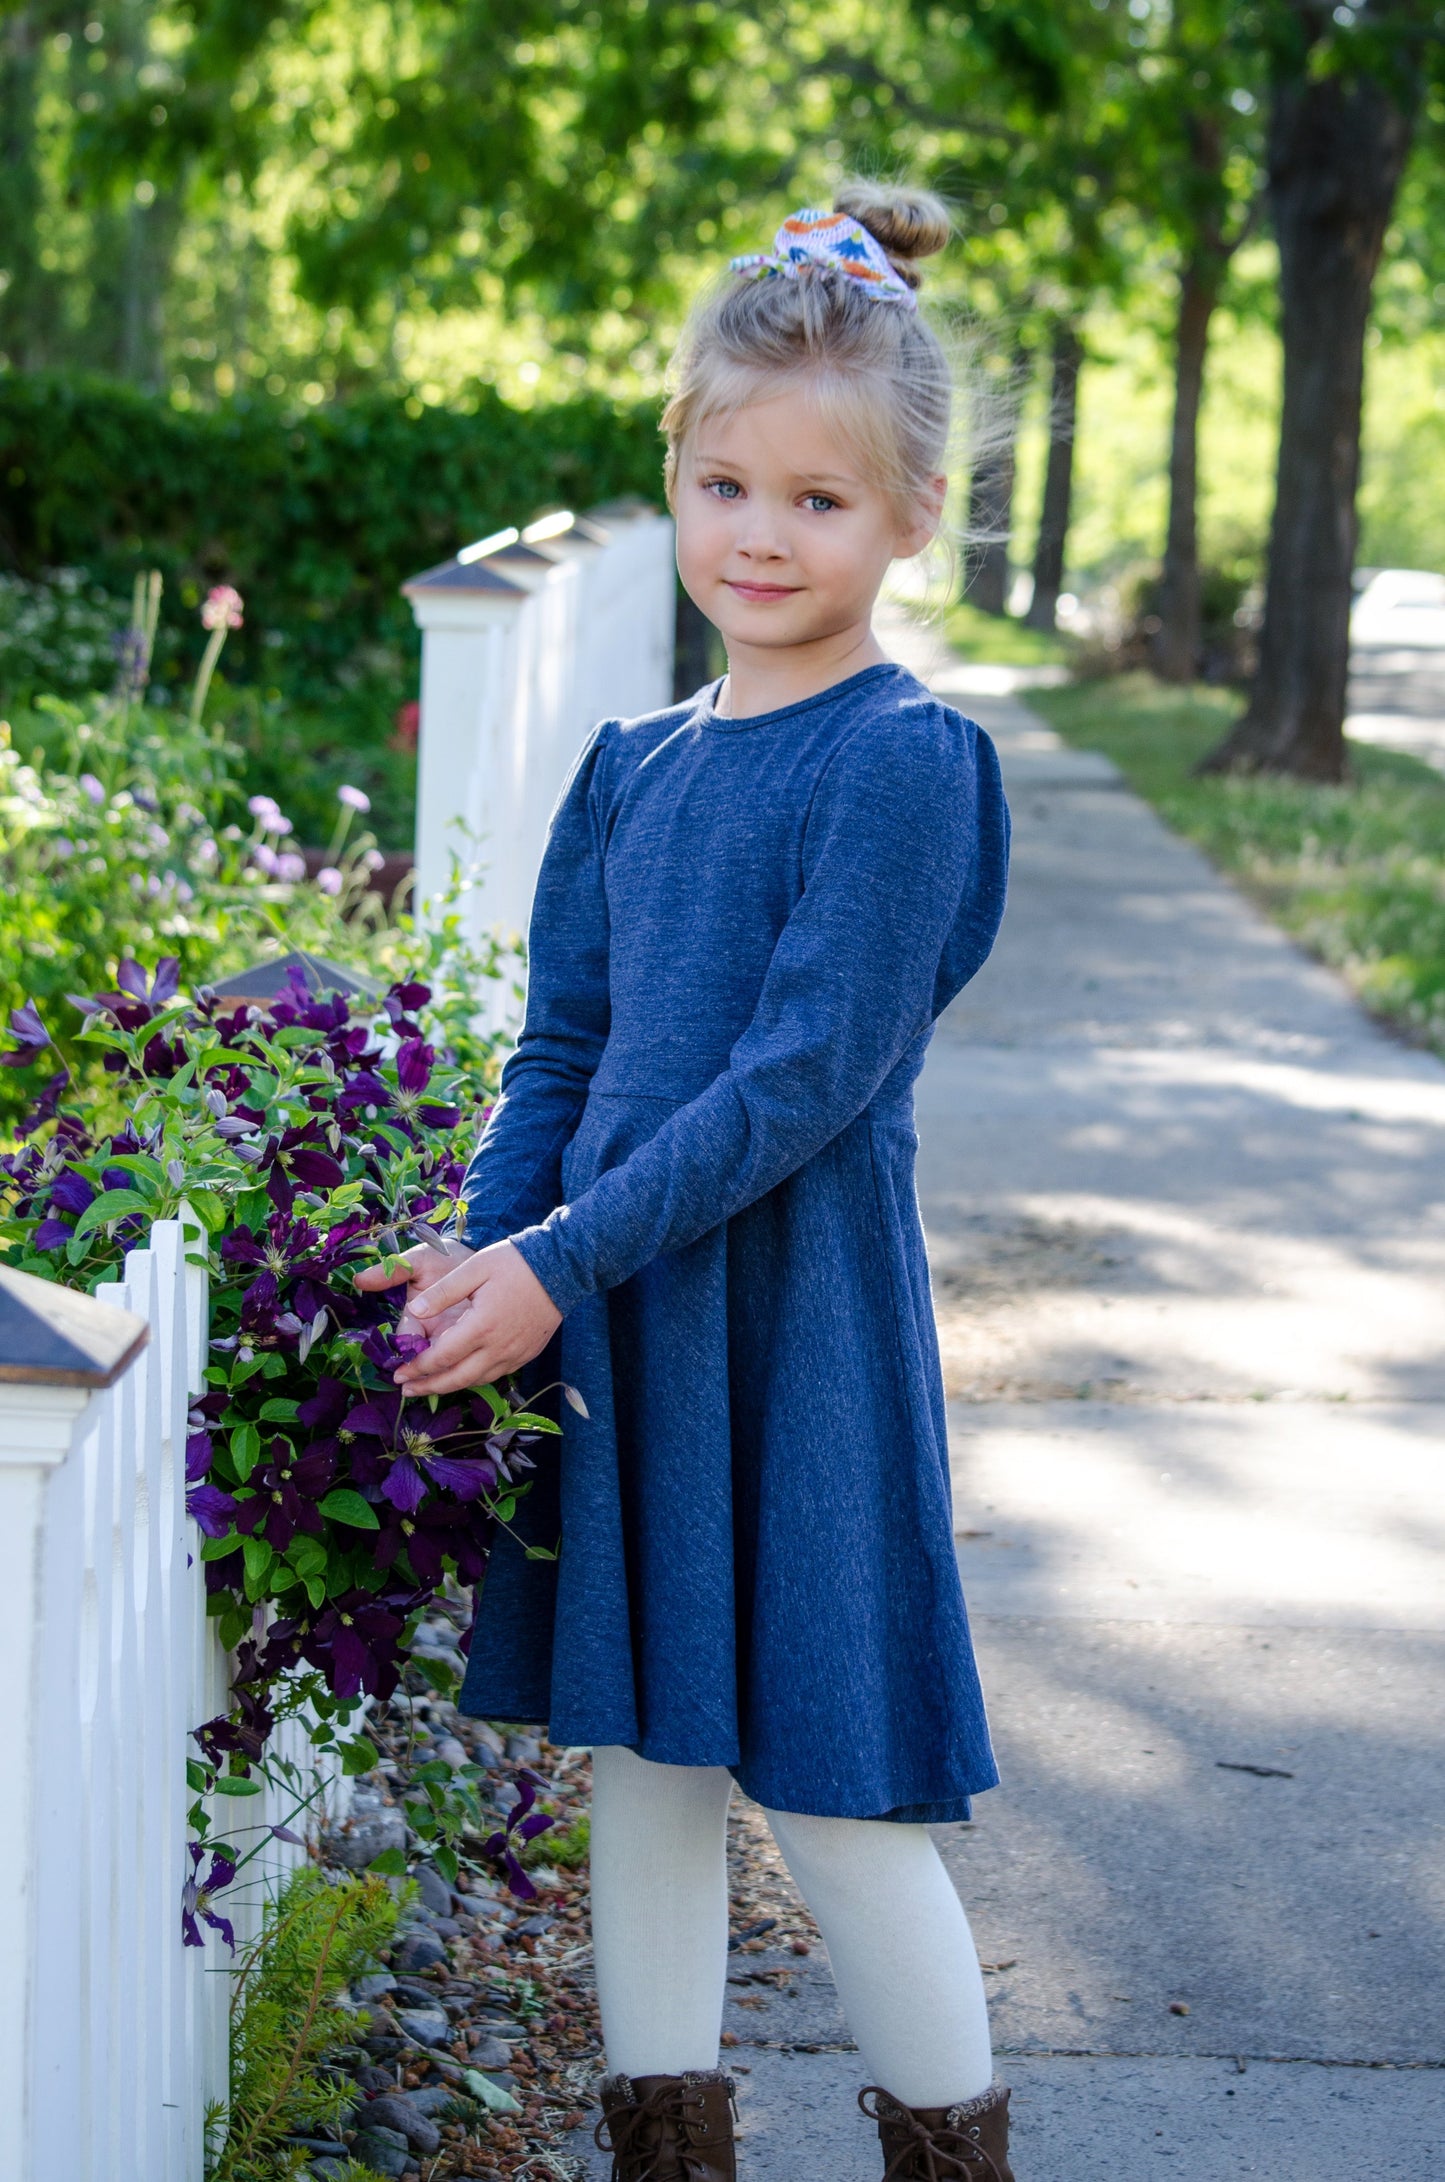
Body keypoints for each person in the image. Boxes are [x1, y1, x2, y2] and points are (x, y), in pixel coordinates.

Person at [358, 183, 1014, 2182]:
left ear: (910, 514)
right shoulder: (635, 764)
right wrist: (494, 1237)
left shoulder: (904, 761)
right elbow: (562, 1048)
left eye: (818, 500)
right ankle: (664, 2149)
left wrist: (561, 1252)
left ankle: (956, 2157)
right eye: (727, 482)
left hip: (789, 1337)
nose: (761, 533)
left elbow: (803, 1072)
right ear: (678, 473)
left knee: (835, 1787)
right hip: (616, 1314)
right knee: (640, 1763)